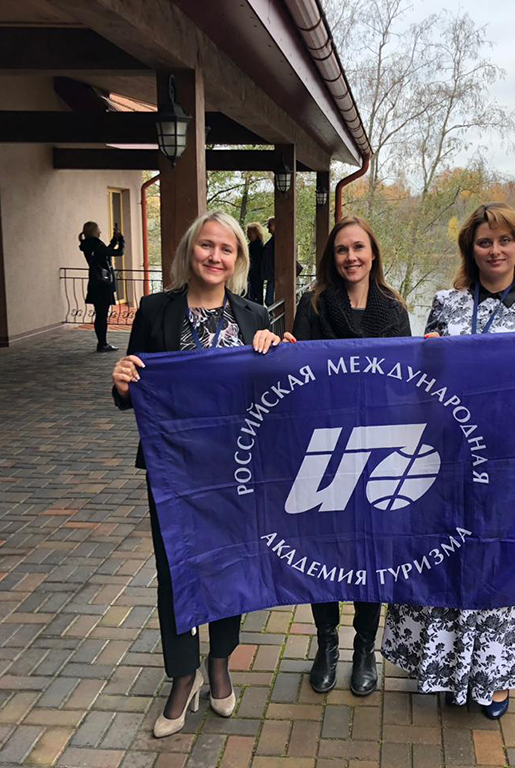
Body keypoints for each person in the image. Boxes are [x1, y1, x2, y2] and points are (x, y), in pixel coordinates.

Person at [381, 202, 515, 720]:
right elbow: (424, 384)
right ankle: (444, 667)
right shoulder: (447, 306)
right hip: (449, 458)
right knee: (446, 553)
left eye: (504, 240)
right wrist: (427, 353)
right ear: (470, 250)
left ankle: (494, 676)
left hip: (510, 464)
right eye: (484, 242)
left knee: (501, 561)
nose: (494, 250)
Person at [111, 210, 279, 738]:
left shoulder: (255, 316)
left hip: (237, 467)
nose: (214, 256)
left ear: (238, 259)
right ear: (190, 251)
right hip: (173, 466)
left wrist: (279, 352)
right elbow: (134, 391)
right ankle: (183, 675)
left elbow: (275, 394)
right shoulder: (155, 310)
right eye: (207, 245)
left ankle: (219, 663)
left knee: (231, 564)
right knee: (176, 567)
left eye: (226, 249)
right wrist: (122, 382)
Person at [286, 216, 411, 696]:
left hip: (376, 447)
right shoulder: (314, 304)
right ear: (332, 257)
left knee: (370, 554)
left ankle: (363, 650)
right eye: (342, 249)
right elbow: (298, 377)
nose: (351, 257)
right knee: (323, 550)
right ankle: (326, 646)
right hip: (323, 444)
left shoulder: (394, 308)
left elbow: (406, 380)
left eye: (359, 247)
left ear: (373, 253)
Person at [79, 221, 124, 352]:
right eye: (98, 229)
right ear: (94, 230)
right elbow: (118, 252)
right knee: (102, 315)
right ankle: (102, 344)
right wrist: (121, 240)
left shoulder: (88, 244)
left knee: (100, 314)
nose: (100, 231)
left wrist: (114, 240)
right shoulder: (96, 244)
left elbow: (106, 252)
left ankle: (102, 343)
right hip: (103, 285)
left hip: (95, 282)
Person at [246, 222, 266, 304]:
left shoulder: (258, 246)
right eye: (247, 232)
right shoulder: (251, 245)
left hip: (256, 274)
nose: (248, 235)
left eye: (250, 232)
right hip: (251, 274)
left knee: (256, 294)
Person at [262, 217, 276, 304]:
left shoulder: (278, 241)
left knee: (269, 300)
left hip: (274, 274)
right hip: (271, 274)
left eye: (270, 225)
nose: (268, 227)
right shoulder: (274, 240)